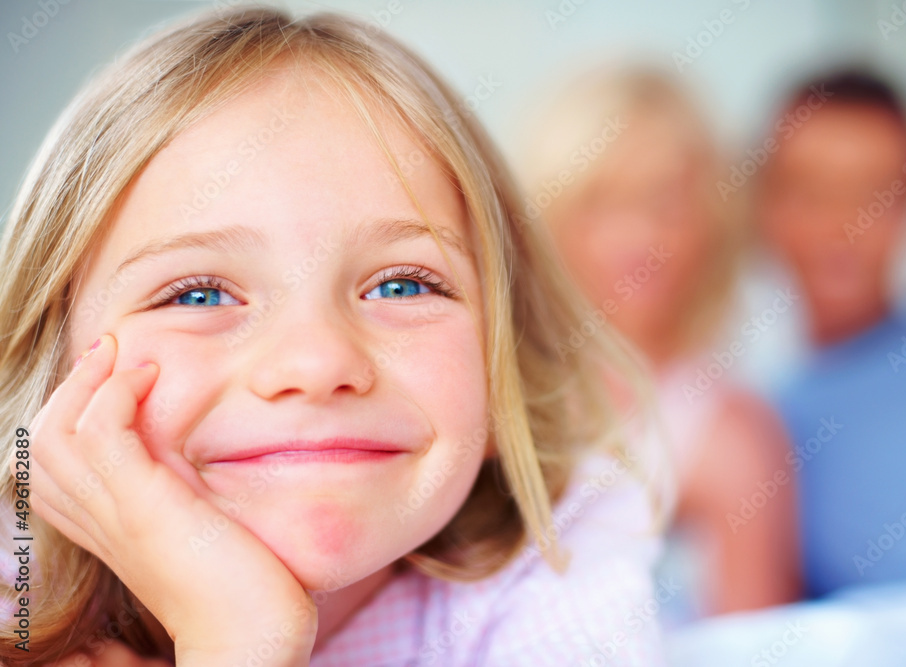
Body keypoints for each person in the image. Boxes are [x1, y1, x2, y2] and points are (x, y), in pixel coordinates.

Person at [0, 8, 665, 665]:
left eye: (402, 285)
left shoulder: (557, 573)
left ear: (504, 369)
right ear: (53, 369)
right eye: (198, 294)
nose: (317, 361)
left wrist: (241, 642)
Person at [518, 65, 800, 619]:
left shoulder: (734, 433)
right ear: (551, 217)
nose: (639, 236)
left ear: (711, 219)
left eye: (665, 200)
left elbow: (756, 645)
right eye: (601, 202)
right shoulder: (489, 392)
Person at [754, 67, 906, 599]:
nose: (843, 226)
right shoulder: (756, 428)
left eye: (875, 195)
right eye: (812, 192)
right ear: (764, 206)